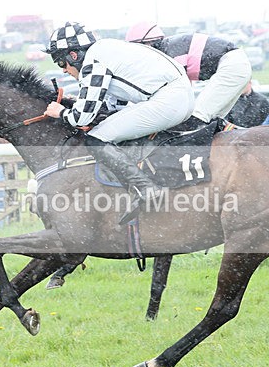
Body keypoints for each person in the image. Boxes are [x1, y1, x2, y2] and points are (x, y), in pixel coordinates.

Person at [43, 21, 194, 224]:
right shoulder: (106, 50)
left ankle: (145, 188)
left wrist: (61, 112)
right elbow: (115, 105)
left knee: (95, 139)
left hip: (167, 100)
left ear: (73, 55)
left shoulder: (93, 61)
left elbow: (81, 118)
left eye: (61, 63)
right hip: (178, 97)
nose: (63, 70)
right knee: (109, 131)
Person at [125, 22, 251, 126]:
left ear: (148, 43)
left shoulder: (168, 55)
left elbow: (177, 92)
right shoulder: (168, 48)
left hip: (232, 65)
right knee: (213, 121)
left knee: (196, 118)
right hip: (236, 63)